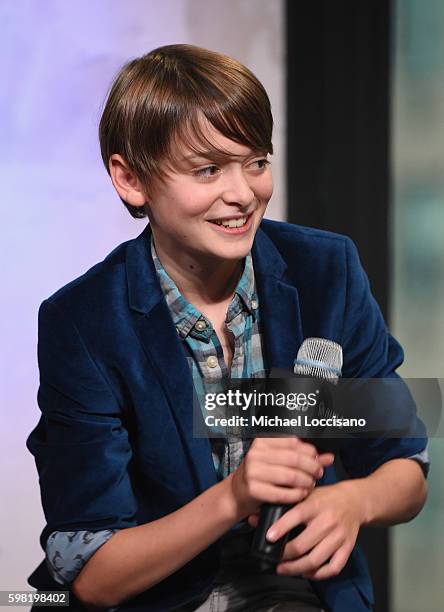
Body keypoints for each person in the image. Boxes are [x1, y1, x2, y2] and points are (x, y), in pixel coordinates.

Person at [27, 44, 429, 612]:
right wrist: (234, 496)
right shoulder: (83, 322)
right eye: (208, 169)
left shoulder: (325, 271)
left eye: (257, 162)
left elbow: (406, 467)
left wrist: (356, 502)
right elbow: (93, 573)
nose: (243, 194)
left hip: (294, 590)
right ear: (130, 179)